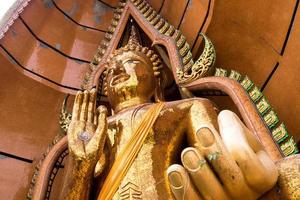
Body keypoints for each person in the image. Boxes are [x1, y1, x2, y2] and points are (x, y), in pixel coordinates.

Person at [59, 27, 286, 200]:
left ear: (158, 81)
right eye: (109, 71)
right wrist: (81, 165)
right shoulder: (92, 132)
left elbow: (218, 167)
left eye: (130, 62)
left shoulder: (186, 108)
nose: (117, 70)